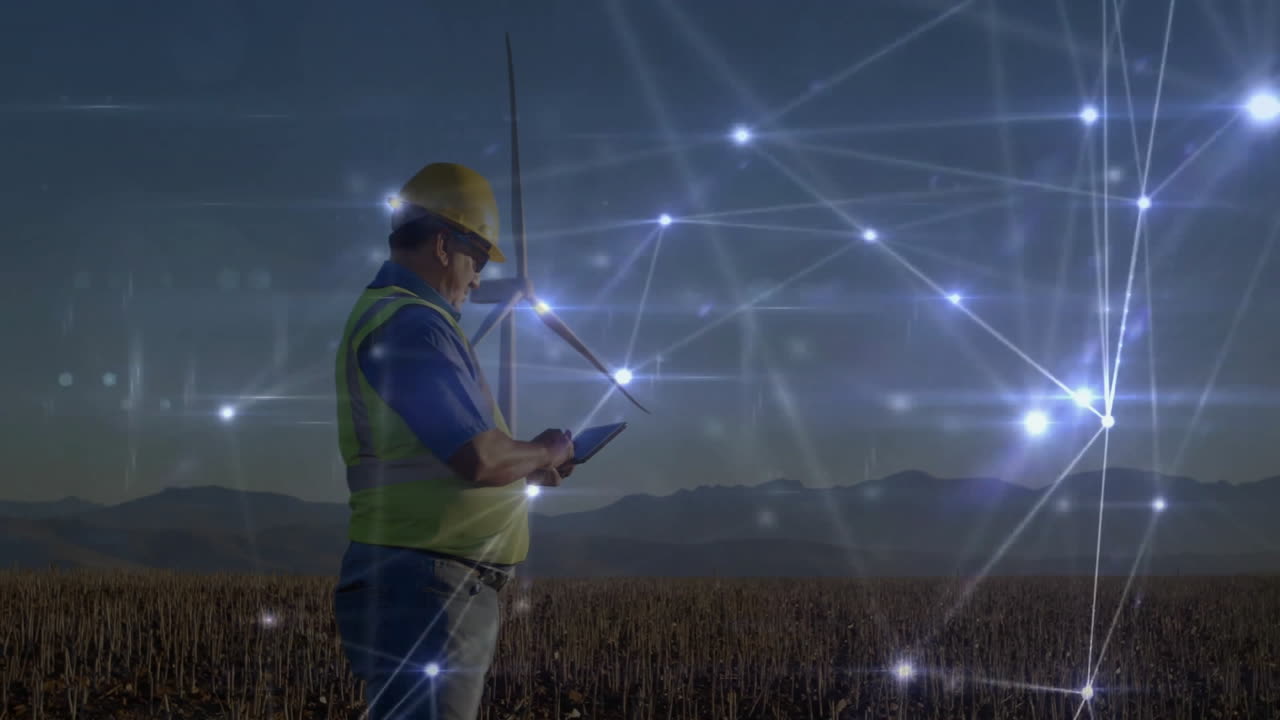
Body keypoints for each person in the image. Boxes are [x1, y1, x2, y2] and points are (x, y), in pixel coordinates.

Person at [332, 161, 576, 719]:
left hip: (419, 582)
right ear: (443, 246)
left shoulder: (399, 318)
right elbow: (478, 457)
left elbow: (448, 456)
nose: (479, 280)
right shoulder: (413, 325)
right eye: (479, 258)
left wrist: (526, 469)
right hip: (429, 587)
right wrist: (545, 450)